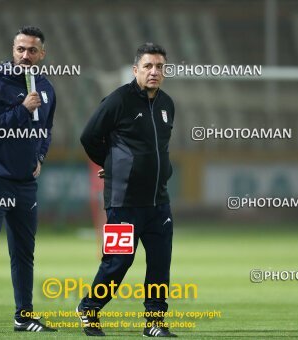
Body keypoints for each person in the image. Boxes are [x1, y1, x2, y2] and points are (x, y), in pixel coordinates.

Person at [77, 43, 177, 337]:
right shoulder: (118, 100)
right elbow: (88, 136)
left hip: (159, 201)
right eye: (148, 66)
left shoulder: (167, 105)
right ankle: (89, 308)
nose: (154, 72)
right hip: (123, 201)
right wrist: (110, 162)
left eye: (159, 67)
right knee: (118, 261)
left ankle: (155, 322)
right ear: (136, 70)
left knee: (160, 262)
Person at [0, 26, 57, 334]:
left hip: (25, 182)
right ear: (12, 50)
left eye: (32, 50)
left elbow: (46, 130)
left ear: (42, 54)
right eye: (20, 49)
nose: (25, 55)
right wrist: (21, 110)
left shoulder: (46, 87)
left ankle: (24, 316)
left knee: (23, 252)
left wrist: (40, 158)